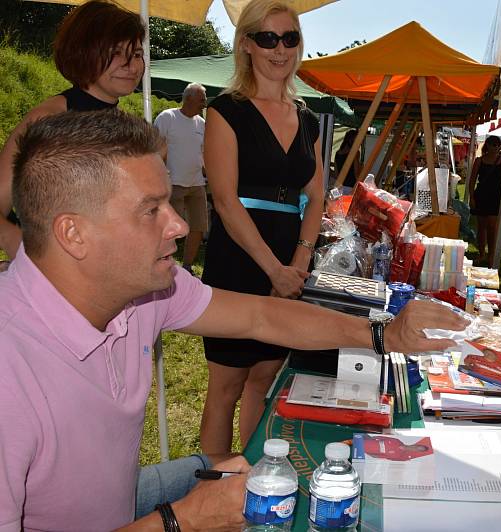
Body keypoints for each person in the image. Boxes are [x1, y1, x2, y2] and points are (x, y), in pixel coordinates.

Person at [0, 109, 466, 530]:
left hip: (120, 501)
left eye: (170, 203)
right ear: (73, 233)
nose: (179, 226)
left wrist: (383, 333)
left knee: (264, 477)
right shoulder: (9, 368)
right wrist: (177, 522)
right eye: (150, 210)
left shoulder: (141, 286)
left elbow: (261, 315)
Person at [200, 0, 326, 456]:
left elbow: (317, 196)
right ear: (247, 45)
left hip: (289, 265)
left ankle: (251, 477)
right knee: (227, 384)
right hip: (238, 259)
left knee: (264, 378)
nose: (280, 49)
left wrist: (299, 261)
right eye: (268, 38)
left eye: (289, 38)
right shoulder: (225, 110)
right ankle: (212, 485)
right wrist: (274, 269)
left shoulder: (308, 118)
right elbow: (225, 201)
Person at [0, 0, 144, 265]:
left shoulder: (132, 128)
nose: (131, 65)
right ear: (83, 52)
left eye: (135, 54)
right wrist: (25, 252)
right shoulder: (48, 118)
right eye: (116, 53)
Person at [154, 83, 209, 274]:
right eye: (202, 98)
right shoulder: (168, 117)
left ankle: (186, 267)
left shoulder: (201, 124)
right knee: (169, 230)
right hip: (173, 182)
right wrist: (162, 176)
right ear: (189, 98)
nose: (205, 102)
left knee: (199, 227)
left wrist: (207, 173)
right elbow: (157, 148)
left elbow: (203, 153)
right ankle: (160, 262)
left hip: (197, 184)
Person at [468, 135, 501, 266]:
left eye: (498, 145)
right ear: (487, 145)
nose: (496, 147)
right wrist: (471, 197)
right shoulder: (479, 160)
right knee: (481, 227)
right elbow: (472, 181)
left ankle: (491, 256)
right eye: (493, 144)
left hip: (496, 197)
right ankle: (482, 254)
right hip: (481, 196)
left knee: (492, 228)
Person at [335, 128, 362, 194]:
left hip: (339, 187)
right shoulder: (355, 153)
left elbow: (336, 174)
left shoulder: (338, 153)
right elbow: (356, 173)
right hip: (351, 188)